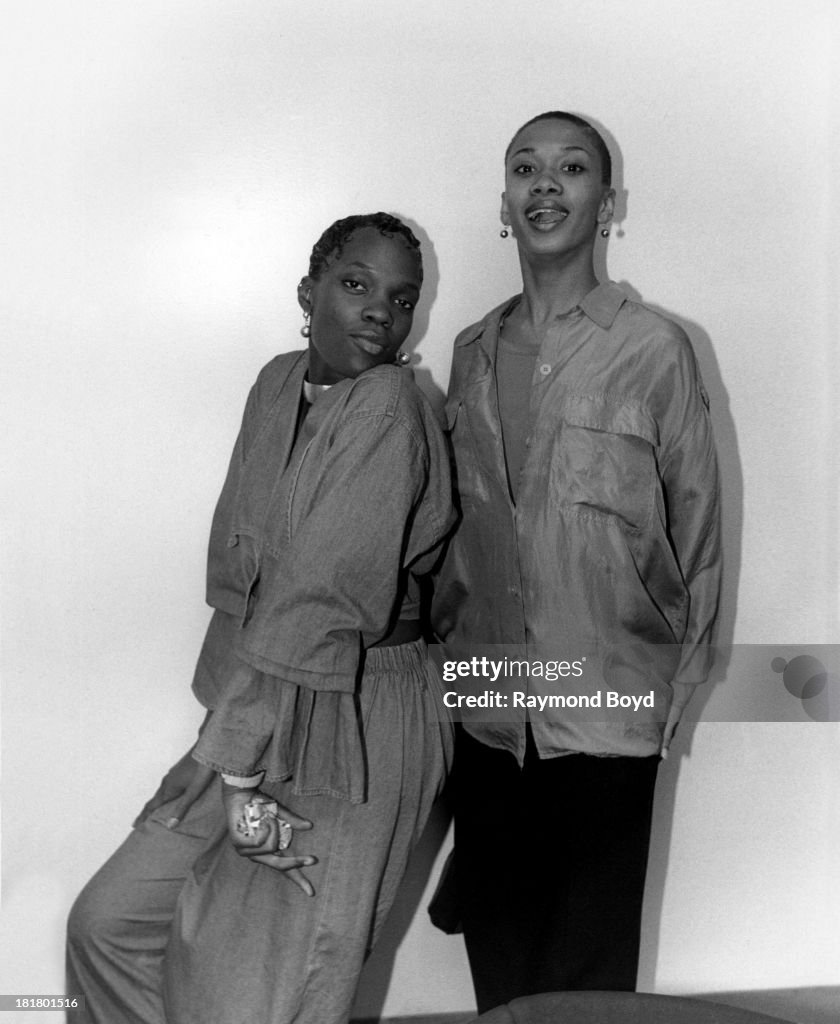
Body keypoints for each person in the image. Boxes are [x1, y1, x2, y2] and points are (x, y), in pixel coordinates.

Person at [67, 212, 455, 1024]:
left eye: (401, 296)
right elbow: (250, 584)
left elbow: (317, 603)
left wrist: (232, 766)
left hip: (360, 719)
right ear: (308, 292)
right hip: (258, 708)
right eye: (356, 285)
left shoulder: (387, 406)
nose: (381, 311)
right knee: (109, 925)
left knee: (272, 996)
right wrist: (217, 752)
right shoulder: (278, 382)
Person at [431, 112, 722, 1012]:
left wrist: (673, 700)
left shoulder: (655, 349)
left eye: (572, 168)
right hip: (490, 718)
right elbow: (453, 541)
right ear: (505, 204)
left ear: (609, 203)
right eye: (526, 168)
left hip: (606, 713)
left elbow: (701, 535)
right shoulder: (472, 352)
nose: (545, 185)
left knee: (588, 992)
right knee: (503, 981)